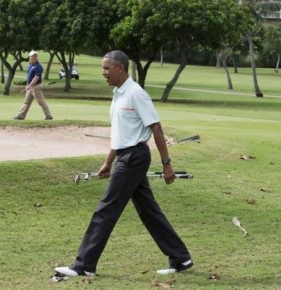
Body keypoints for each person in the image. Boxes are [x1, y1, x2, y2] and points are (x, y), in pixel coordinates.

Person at [55, 50, 192, 277]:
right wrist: (108, 162)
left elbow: (156, 128)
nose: (103, 72)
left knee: (106, 209)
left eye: (107, 68)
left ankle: (83, 265)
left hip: (134, 157)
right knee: (149, 211)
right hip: (125, 156)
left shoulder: (136, 94)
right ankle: (181, 258)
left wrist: (167, 163)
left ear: (120, 68)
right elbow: (120, 134)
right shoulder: (118, 93)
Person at [13, 50, 53, 120]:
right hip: (30, 87)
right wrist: (27, 85)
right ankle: (21, 116)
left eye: (35, 56)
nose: (34, 57)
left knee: (41, 102)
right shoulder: (29, 66)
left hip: (36, 87)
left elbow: (36, 77)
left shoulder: (38, 66)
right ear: (29, 57)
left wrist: (30, 85)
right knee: (26, 102)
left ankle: (48, 115)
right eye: (33, 56)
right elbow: (29, 77)